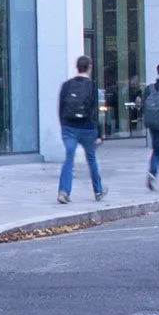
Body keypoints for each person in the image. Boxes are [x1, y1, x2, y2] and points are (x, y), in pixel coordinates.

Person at [55, 56, 104, 205]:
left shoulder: (67, 85)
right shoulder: (92, 86)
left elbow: (61, 107)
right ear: (89, 67)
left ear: (77, 67)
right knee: (91, 159)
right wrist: (100, 133)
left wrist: (64, 126)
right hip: (87, 128)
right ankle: (98, 191)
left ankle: (64, 191)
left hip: (69, 127)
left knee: (69, 159)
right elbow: (97, 111)